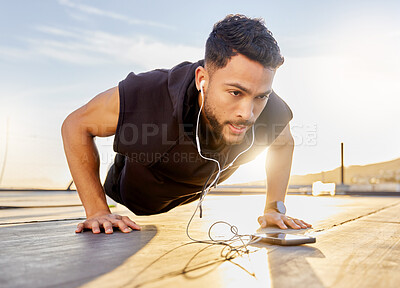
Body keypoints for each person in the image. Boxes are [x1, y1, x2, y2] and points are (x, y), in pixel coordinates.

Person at [61, 14, 312, 234]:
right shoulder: (149, 95)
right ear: (202, 79)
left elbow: (284, 143)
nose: (247, 113)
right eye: (235, 92)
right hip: (131, 195)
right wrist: (96, 211)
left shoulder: (271, 110)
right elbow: (75, 125)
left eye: (260, 96)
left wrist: (274, 207)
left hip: (194, 187)